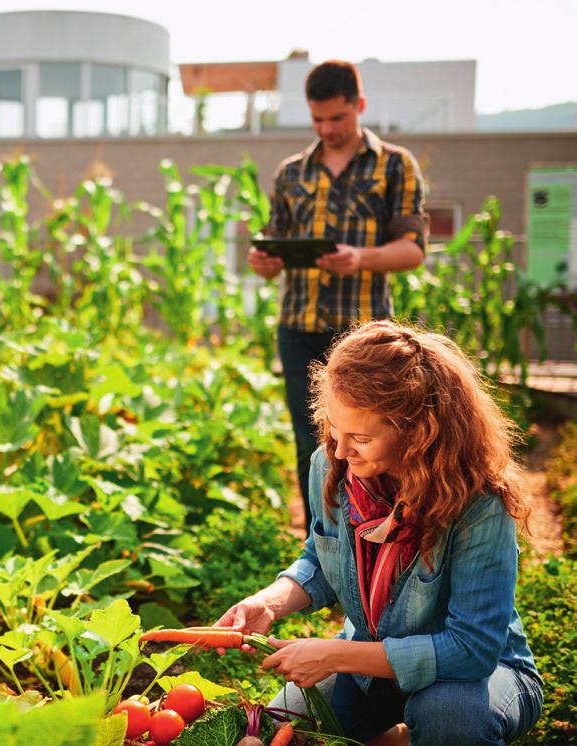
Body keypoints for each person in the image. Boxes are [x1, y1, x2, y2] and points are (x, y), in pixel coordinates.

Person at [215, 320, 543, 745]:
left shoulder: (478, 504)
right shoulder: (332, 467)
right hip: (370, 664)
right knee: (282, 725)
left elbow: (471, 651)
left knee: (447, 715)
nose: (339, 448)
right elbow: (320, 555)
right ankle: (398, 737)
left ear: (418, 433)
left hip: (479, 674)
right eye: (334, 427)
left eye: (361, 438)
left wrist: (335, 655)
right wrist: (269, 602)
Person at [249, 60, 427, 529]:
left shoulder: (395, 165)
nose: (327, 128)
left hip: (365, 334)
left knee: (372, 441)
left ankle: (377, 534)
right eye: (318, 120)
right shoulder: (291, 173)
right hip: (299, 327)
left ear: (359, 106)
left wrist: (360, 258)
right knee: (309, 442)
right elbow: (274, 244)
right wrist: (264, 263)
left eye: (337, 118)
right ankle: (321, 545)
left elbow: (413, 250)